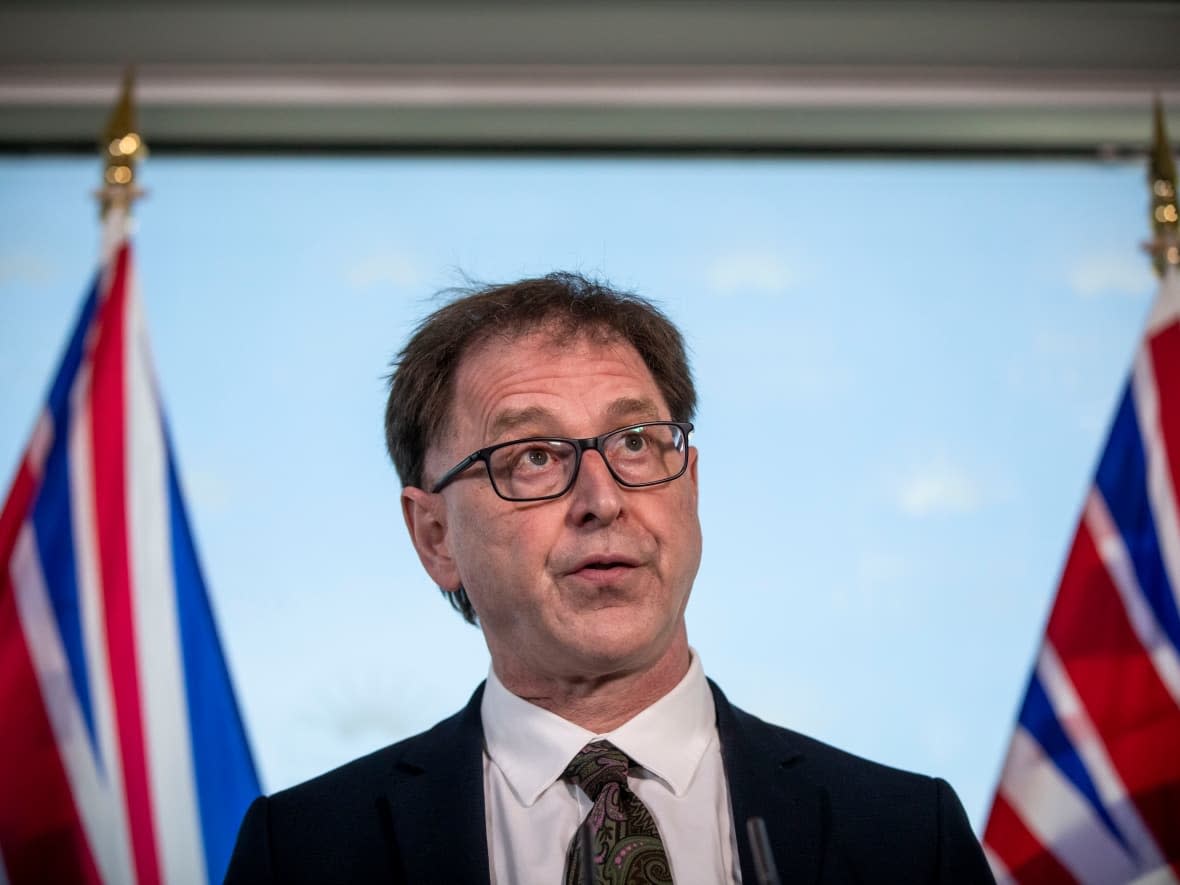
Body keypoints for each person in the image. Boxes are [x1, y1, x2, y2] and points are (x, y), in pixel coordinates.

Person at [224, 273, 994, 884]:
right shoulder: (301, 851)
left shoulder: (905, 834)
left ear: (688, 487)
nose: (603, 500)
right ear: (435, 536)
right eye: (532, 455)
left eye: (635, 441)